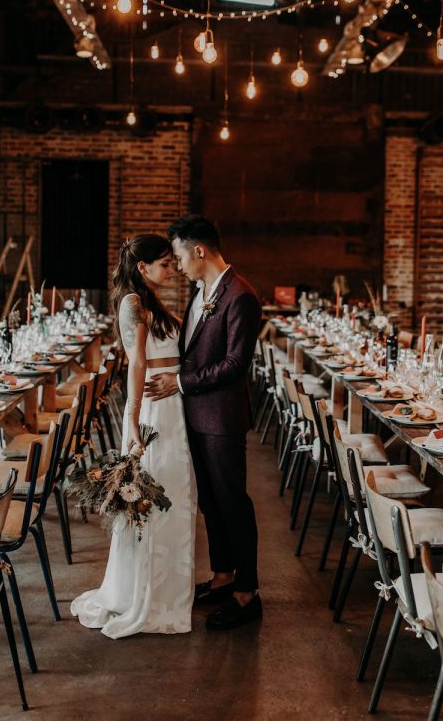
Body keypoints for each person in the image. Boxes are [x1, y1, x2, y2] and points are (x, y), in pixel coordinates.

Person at [70, 235, 196, 638]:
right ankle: (150, 597)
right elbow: (137, 364)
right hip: (156, 409)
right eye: (164, 264)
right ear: (142, 268)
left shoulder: (151, 302)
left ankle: (171, 592)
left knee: (177, 497)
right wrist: (133, 423)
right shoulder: (131, 304)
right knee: (159, 499)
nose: (171, 269)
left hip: (174, 406)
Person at [145, 215, 262, 631]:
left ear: (199, 250)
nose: (176, 266)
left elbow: (234, 364)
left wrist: (177, 382)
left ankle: (247, 593)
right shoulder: (201, 292)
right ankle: (223, 575)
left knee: (232, 502)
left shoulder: (240, 295)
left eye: (178, 256)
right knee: (210, 502)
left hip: (222, 417)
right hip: (195, 414)